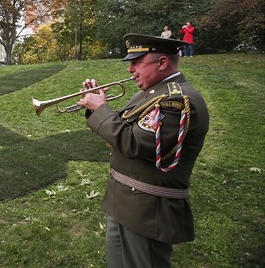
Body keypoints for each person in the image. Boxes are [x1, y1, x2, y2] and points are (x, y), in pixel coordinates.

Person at [76, 33, 209, 268]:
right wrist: (98, 106)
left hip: (147, 209)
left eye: (136, 62)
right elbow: (126, 125)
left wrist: (101, 110)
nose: (130, 70)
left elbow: (134, 144)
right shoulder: (151, 92)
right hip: (127, 201)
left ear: (162, 63)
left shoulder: (175, 101)